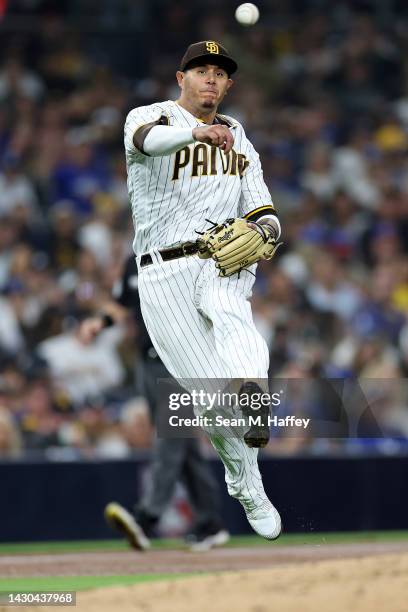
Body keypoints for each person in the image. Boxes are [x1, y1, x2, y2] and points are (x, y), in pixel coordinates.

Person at [122, 41, 282, 540]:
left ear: (229, 84)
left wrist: (267, 232)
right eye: (201, 70)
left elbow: (262, 208)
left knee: (232, 312)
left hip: (220, 256)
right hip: (161, 272)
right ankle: (246, 482)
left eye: (219, 72)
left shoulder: (239, 136)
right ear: (181, 78)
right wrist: (196, 133)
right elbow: (148, 142)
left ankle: (253, 392)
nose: (210, 78)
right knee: (208, 398)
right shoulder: (147, 115)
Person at [79, 254, 230, 551]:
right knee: (183, 446)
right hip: (146, 362)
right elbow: (122, 303)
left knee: (169, 437)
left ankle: (147, 516)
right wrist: (99, 322)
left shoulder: (191, 255)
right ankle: (210, 522)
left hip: (182, 363)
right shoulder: (134, 259)